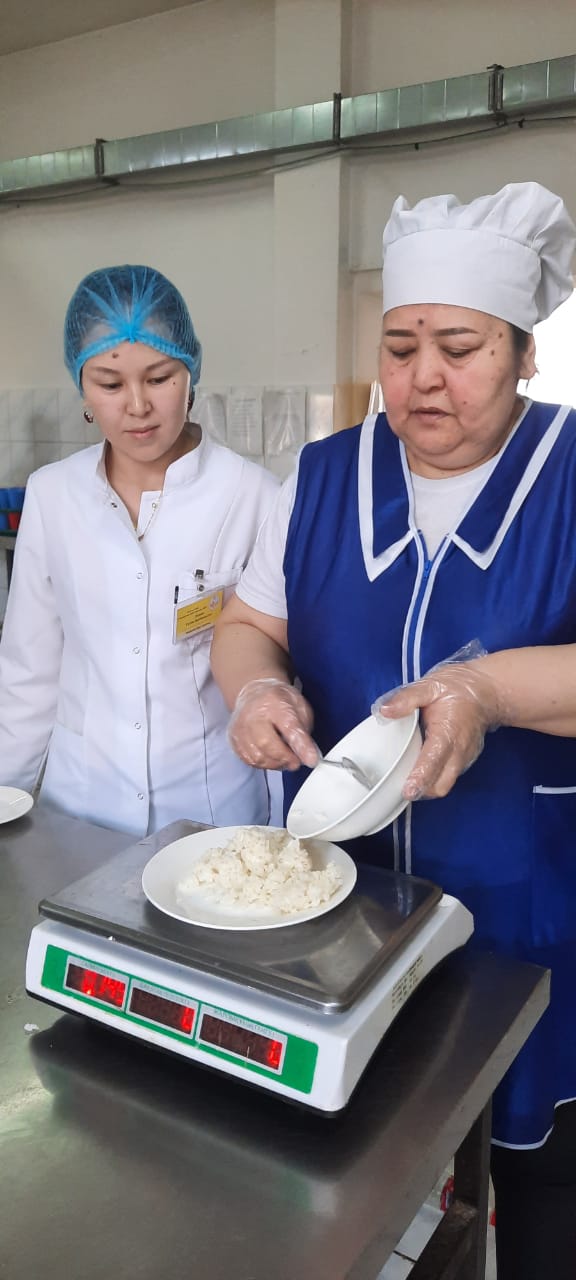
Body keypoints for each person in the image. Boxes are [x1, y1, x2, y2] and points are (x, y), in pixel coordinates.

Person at [211, 183, 576, 1279]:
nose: (423, 377)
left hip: (528, 909)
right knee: (352, 1171)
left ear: (524, 355)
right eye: (401, 346)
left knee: (542, 1176)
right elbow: (247, 627)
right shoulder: (324, 476)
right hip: (342, 911)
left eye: (460, 349)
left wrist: (487, 691)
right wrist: (254, 692)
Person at [0, 264, 278, 836]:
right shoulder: (52, 494)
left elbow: (275, 667)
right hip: (81, 810)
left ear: (190, 372)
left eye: (159, 378)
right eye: (109, 384)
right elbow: (30, 672)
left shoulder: (254, 495)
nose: (137, 406)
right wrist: (6, 797)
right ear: (82, 387)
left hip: (210, 810)